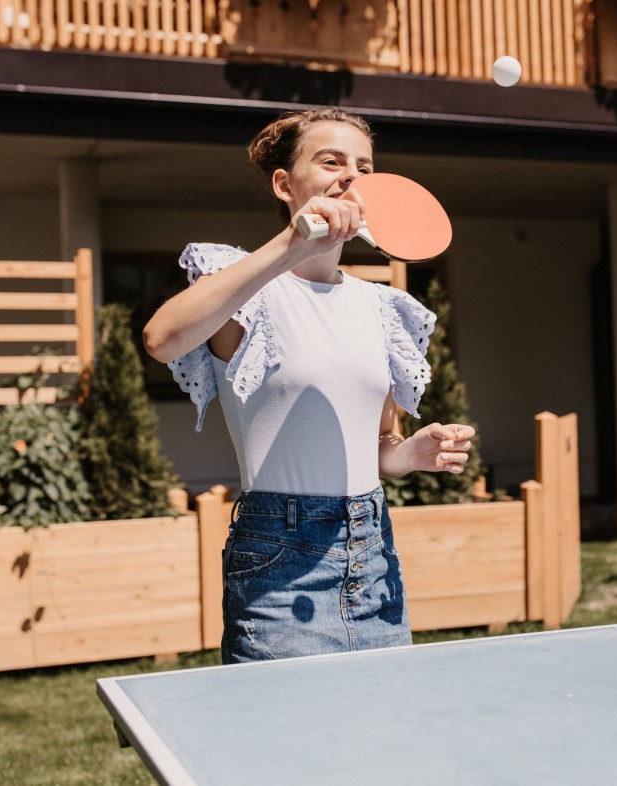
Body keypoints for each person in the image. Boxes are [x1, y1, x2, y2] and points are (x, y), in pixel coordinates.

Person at [143, 107, 475, 661]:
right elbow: (162, 339)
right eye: (331, 161)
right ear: (284, 184)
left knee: (381, 737)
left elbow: (377, 446)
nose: (351, 175)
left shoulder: (381, 306)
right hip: (280, 566)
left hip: (373, 561)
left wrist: (409, 454)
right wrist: (292, 246)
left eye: (364, 167)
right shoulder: (247, 288)